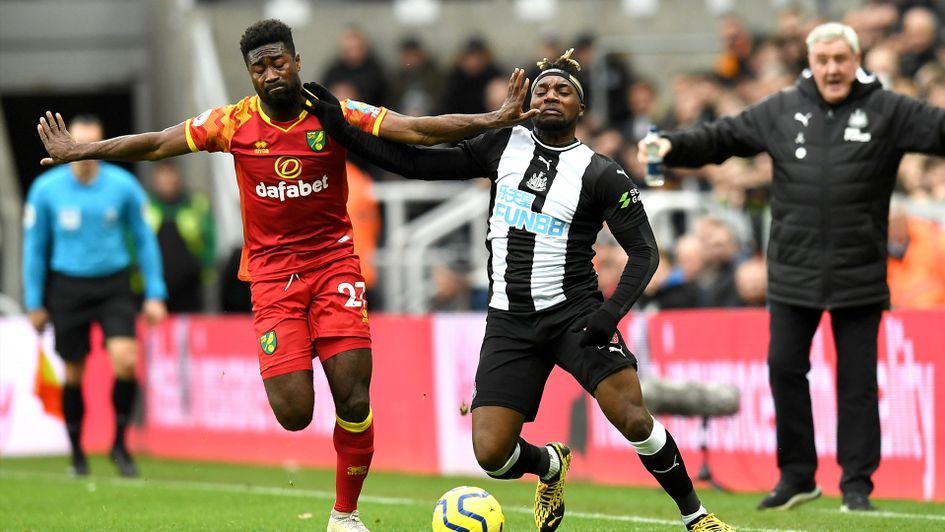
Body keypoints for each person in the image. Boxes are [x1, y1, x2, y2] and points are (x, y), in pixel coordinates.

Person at [35, 19, 538, 531]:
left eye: (279, 62)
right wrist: (81, 151)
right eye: (260, 67)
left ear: (297, 62)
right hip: (273, 278)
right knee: (295, 413)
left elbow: (413, 129)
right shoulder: (232, 123)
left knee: (355, 393)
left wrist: (492, 118)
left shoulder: (332, 113)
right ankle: (292, 358)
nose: (271, 73)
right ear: (250, 75)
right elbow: (159, 143)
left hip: (334, 262)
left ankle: (345, 515)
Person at [303, 50, 732, 532]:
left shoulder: (601, 173)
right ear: (528, 99)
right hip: (509, 320)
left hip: (577, 317)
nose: (550, 96)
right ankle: (551, 465)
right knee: (491, 454)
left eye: (563, 91)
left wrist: (609, 315)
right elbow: (416, 162)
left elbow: (646, 252)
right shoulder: (501, 145)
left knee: (634, 419)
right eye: (542, 89)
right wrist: (342, 131)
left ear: (580, 108)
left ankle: (698, 517)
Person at [638, 22, 945, 512]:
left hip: (859, 273)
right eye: (822, 60)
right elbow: (723, 138)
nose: (832, 69)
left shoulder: (888, 109)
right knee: (784, 369)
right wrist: (671, 144)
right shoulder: (782, 108)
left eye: (840, 59)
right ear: (810, 62)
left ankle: (857, 487)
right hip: (792, 272)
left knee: (858, 384)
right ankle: (798, 475)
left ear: (856, 59)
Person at [23, 114, 168, 478]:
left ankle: (120, 445)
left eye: (93, 145)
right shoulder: (46, 189)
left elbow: (145, 240)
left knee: (125, 360)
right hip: (68, 286)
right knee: (73, 372)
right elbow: (35, 248)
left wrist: (154, 292)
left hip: (114, 284)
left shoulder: (123, 186)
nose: (85, 153)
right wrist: (34, 301)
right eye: (79, 145)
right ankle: (77, 453)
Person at [146, 161, 216, 312]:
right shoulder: (145, 205)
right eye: (162, 175)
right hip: (153, 283)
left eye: (170, 175)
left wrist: (206, 267)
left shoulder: (195, 203)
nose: (167, 181)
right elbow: (134, 240)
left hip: (189, 285)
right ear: (155, 178)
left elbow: (209, 239)